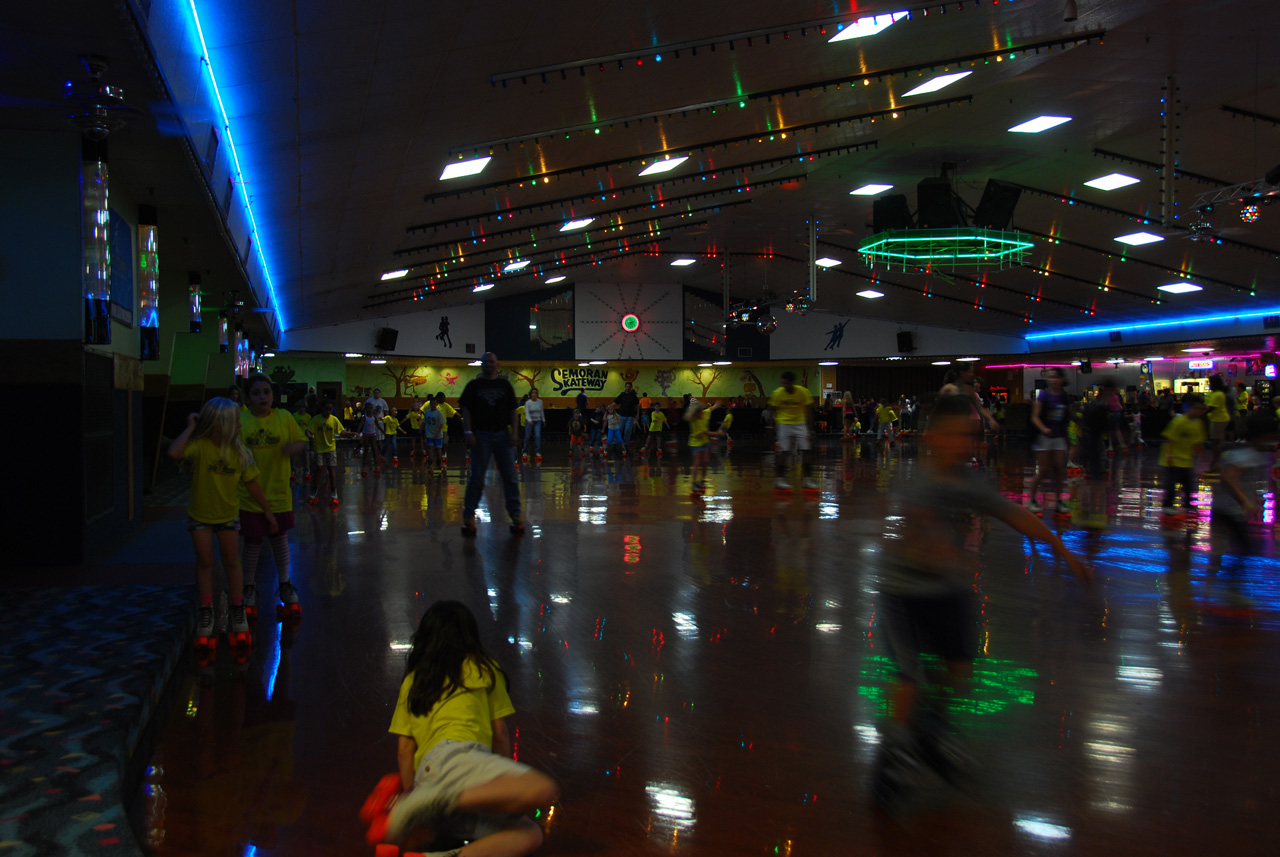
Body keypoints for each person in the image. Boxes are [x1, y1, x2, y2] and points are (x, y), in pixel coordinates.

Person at [872, 395, 1089, 812]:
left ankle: (930, 727)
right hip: (904, 593)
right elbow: (910, 536)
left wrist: (1064, 550)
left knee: (960, 669)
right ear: (932, 439)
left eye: (969, 437)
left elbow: (1014, 514)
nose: (964, 445)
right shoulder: (917, 482)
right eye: (955, 437)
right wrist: (942, 553)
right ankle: (893, 756)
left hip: (948, 592)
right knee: (907, 677)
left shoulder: (969, 481)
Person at [383, 601, 558, 852]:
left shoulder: (414, 680)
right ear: (470, 637)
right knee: (543, 788)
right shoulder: (483, 669)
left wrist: (412, 795)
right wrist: (503, 780)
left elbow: (404, 749)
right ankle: (440, 799)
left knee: (529, 833)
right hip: (459, 759)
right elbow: (500, 735)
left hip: (428, 779)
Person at [168, 398, 275, 648]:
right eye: (235, 421)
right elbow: (174, 452)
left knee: (231, 562)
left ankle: (237, 607)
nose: (240, 425)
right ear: (219, 425)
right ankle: (206, 611)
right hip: (200, 516)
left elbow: (253, 485)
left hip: (228, 515)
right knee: (205, 562)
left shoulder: (239, 452)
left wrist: (267, 511)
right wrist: (192, 427)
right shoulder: (200, 447)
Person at [238, 374, 308, 620]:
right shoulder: (241, 421)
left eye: (266, 392)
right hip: (250, 495)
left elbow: (301, 439)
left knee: (279, 539)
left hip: (279, 492)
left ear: (273, 395)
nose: (262, 397)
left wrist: (293, 448)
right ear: (249, 397)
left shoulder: (284, 418)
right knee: (253, 542)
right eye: (256, 393)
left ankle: (285, 583)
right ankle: (248, 586)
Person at [459, 353, 522, 535]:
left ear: (497, 364)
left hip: (503, 434)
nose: (488, 364)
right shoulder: (474, 386)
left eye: (492, 362)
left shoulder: (504, 385)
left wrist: (515, 433)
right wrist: (468, 431)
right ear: (481, 365)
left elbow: (513, 411)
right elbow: (466, 410)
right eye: (485, 362)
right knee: (477, 477)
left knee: (510, 476)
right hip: (481, 435)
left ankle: (516, 514)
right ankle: (469, 514)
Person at [1212, 410, 1275, 555]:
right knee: (1245, 549)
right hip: (1229, 510)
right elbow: (1229, 477)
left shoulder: (1243, 450)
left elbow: (1220, 471)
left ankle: (1221, 573)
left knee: (1235, 550)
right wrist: (1245, 501)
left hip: (1225, 509)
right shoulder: (1248, 454)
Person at [1027, 368, 1071, 514]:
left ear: (1061, 380)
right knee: (1043, 469)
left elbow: (1069, 417)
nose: (1052, 380)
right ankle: (1031, 499)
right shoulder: (1044, 396)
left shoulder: (1065, 397)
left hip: (1058, 436)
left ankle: (1059, 501)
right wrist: (1044, 429)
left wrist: (1072, 439)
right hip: (1044, 437)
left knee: (1059, 469)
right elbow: (1035, 416)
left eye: (1055, 377)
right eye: (1050, 378)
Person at [769, 371, 817, 491]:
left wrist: (811, 431)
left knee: (805, 450)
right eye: (783, 383)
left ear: (792, 383)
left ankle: (808, 480)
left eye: (786, 383)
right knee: (784, 452)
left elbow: (810, 411)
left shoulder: (803, 392)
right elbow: (771, 409)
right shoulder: (778, 393)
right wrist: (771, 426)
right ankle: (779, 480)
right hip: (783, 424)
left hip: (800, 423)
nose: (784, 385)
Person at [1159, 395, 1207, 516]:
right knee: (1171, 484)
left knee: (1189, 484)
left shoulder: (1198, 424)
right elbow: (1169, 439)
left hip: (1187, 460)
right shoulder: (1179, 421)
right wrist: (1169, 456)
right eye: (1196, 408)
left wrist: (1200, 460)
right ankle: (1168, 505)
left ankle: (1187, 504)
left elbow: (1198, 443)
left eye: (1201, 409)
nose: (1198, 411)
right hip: (1173, 459)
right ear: (1189, 408)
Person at [307, 400, 348, 506]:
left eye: (330, 410)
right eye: (326, 409)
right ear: (322, 409)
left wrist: (351, 434)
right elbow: (308, 430)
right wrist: (310, 436)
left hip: (330, 447)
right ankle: (313, 491)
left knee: (331, 468)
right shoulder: (316, 419)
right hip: (319, 448)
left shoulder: (334, 420)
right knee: (319, 468)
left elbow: (341, 432)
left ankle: (334, 492)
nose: (328, 412)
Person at [685, 399, 722, 495]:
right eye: (700, 411)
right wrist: (718, 433)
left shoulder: (704, 413)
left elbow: (710, 409)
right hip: (696, 442)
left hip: (705, 442)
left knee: (705, 462)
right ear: (696, 413)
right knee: (697, 462)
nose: (702, 412)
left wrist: (716, 405)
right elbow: (705, 432)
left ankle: (702, 480)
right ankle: (694, 483)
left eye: (702, 410)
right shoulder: (694, 421)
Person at [1205, 374, 1232, 473]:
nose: (1209, 384)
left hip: (1218, 420)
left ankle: (1216, 463)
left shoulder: (1217, 394)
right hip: (1219, 419)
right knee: (1216, 442)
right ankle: (1217, 463)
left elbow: (1210, 408)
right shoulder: (1217, 393)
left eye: (1210, 383)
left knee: (1215, 443)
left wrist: (1198, 415)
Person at [421, 397, 447, 473]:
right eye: (431, 403)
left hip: (438, 435)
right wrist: (421, 429)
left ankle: (439, 464)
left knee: (438, 450)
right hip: (429, 434)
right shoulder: (427, 412)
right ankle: (430, 464)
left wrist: (438, 431)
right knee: (430, 449)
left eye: (434, 403)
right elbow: (424, 422)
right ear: (430, 404)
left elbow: (442, 424)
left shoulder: (439, 413)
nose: (433, 405)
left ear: (437, 404)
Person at [358, 402, 382, 475]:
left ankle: (376, 465)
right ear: (366, 409)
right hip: (366, 435)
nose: (370, 410)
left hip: (373, 434)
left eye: (371, 408)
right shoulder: (364, 417)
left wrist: (383, 431)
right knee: (366, 449)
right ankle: (364, 466)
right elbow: (360, 425)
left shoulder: (374, 417)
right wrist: (358, 433)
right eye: (368, 408)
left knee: (374, 449)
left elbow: (377, 425)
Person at [614, 382, 640, 447]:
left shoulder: (633, 396)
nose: (628, 388)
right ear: (625, 387)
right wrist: (609, 408)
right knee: (619, 430)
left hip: (630, 416)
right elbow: (615, 402)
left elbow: (637, 405)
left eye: (629, 386)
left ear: (631, 388)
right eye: (627, 386)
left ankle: (626, 444)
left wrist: (637, 414)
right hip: (622, 415)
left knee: (627, 430)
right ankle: (615, 442)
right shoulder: (622, 395)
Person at [522, 388, 545, 461]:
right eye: (533, 392)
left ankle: (537, 452)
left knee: (537, 436)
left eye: (536, 393)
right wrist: (529, 420)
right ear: (531, 394)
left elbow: (541, 412)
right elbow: (527, 412)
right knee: (527, 436)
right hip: (529, 421)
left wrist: (543, 420)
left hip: (537, 420)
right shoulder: (528, 402)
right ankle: (525, 451)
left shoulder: (540, 402)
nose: (534, 394)